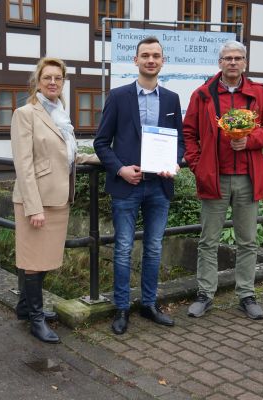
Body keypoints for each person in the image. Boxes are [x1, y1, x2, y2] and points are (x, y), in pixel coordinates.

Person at [183, 40, 263, 320]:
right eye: (228, 58)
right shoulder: (202, 95)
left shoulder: (259, 94)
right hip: (215, 177)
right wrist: (196, 164)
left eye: (238, 58)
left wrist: (251, 141)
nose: (233, 63)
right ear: (220, 63)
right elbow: (188, 133)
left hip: (248, 178)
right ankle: (205, 294)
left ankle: (246, 294)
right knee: (208, 240)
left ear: (245, 63)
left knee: (248, 241)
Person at [93, 36, 184, 335]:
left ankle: (148, 304)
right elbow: (101, 143)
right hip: (127, 187)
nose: (150, 60)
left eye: (156, 55)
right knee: (122, 249)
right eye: (145, 55)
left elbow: (179, 142)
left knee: (155, 248)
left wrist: (175, 163)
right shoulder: (118, 97)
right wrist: (120, 169)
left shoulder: (171, 99)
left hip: (159, 186)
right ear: (135, 60)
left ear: (162, 61)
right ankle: (121, 308)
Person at [11, 57, 99, 343]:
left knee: (45, 259)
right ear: (37, 81)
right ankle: (36, 319)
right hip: (36, 200)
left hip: (59, 197)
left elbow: (67, 154)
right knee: (34, 260)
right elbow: (23, 164)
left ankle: (25, 307)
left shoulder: (60, 114)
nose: (52, 82)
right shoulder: (26, 113)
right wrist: (33, 207)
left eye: (57, 78)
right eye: (47, 77)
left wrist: (102, 158)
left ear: (63, 82)